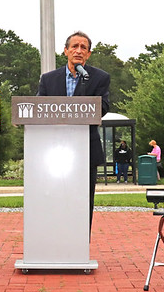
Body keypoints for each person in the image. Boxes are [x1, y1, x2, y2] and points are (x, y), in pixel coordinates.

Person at [37, 31, 110, 226]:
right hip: (53, 151)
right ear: (65, 51)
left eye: (83, 48)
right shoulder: (48, 79)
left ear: (89, 54)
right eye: (74, 46)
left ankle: (80, 250)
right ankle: (54, 243)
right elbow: (38, 110)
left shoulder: (99, 78)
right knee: (55, 199)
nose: (78, 51)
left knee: (83, 202)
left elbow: (103, 107)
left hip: (86, 150)